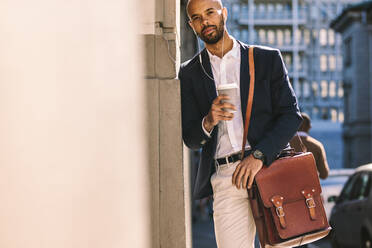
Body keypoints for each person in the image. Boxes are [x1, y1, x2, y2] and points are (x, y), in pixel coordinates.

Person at [179, 0, 302, 247]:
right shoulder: (189, 72)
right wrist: (209, 120)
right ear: (191, 25)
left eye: (210, 12)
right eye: (197, 17)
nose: (205, 21)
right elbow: (191, 139)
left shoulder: (266, 59)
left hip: (268, 167)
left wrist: (258, 156)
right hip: (226, 179)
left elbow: (291, 115)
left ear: (224, 13)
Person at [290, 113, 330, 179]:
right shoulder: (317, 145)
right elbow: (324, 174)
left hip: (288, 187)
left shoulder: (285, 144)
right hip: (309, 187)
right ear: (309, 127)